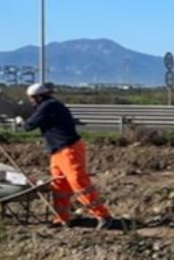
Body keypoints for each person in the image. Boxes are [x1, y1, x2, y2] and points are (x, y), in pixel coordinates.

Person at [17, 83, 113, 230]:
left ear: (39, 97)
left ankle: (103, 216)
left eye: (32, 98)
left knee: (79, 183)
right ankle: (62, 218)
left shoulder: (49, 106)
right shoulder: (48, 105)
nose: (31, 101)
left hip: (69, 149)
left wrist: (20, 120)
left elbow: (28, 126)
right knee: (59, 186)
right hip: (58, 151)